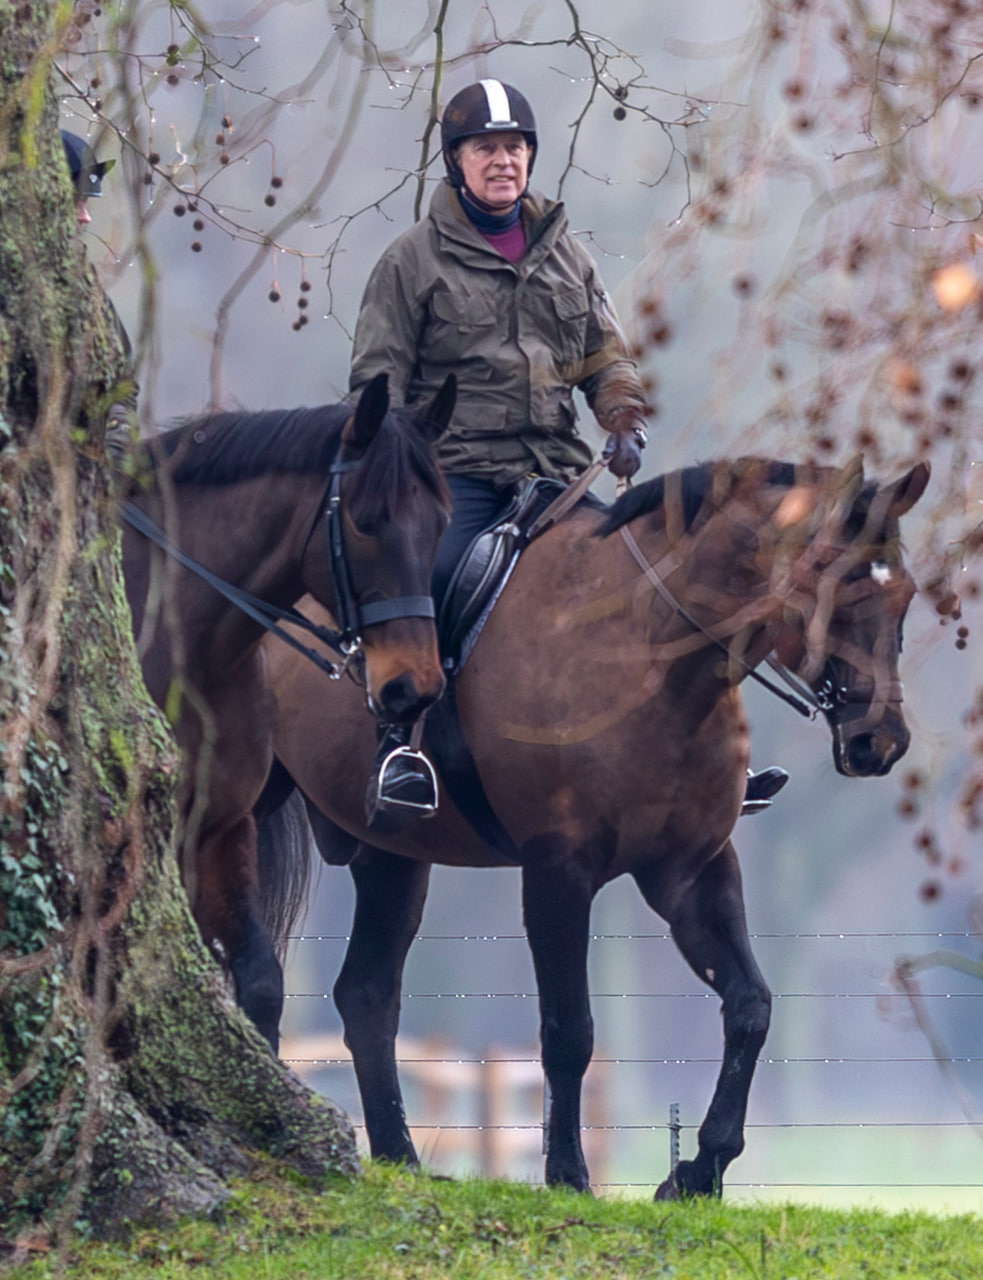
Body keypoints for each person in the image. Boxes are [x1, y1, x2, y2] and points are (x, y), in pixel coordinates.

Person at [349, 80, 786, 826]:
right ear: (456, 162)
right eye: (485, 148)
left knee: (655, 581)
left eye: (514, 148)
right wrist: (404, 454)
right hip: (455, 476)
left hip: (555, 475)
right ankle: (403, 745)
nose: (503, 162)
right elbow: (375, 382)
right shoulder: (410, 262)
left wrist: (619, 414)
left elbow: (605, 356)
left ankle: (706, 761)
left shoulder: (566, 257)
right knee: (437, 577)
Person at [62, 129, 138, 466]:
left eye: (86, 202)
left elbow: (123, 384)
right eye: (74, 201)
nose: (85, 216)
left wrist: (116, 439)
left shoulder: (89, 295)